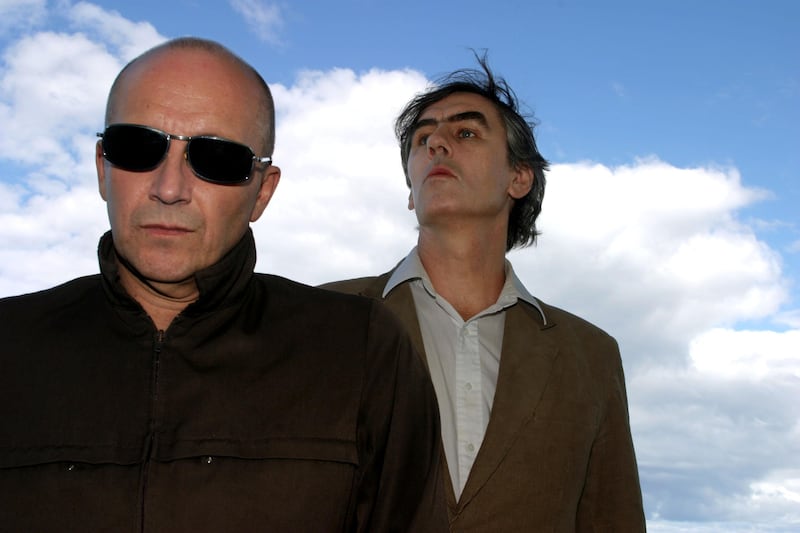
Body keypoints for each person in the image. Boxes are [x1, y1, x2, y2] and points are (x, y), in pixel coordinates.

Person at [0, 37, 448, 532]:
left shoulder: (361, 351)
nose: (169, 188)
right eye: (138, 147)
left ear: (263, 192)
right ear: (104, 168)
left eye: (217, 159)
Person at [324, 56, 646, 531]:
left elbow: (612, 518)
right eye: (422, 138)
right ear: (412, 192)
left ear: (519, 178)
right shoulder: (324, 319)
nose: (436, 142)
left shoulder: (592, 355)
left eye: (466, 133)